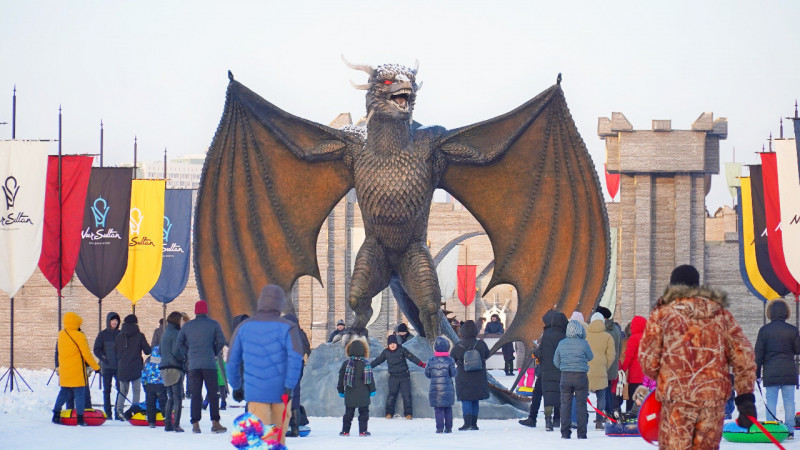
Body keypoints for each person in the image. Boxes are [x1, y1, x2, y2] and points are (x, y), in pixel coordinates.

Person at [640, 264, 758, 449]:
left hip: (676, 400)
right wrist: (745, 398)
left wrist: (668, 376)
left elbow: (648, 361)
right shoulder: (721, 316)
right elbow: (744, 357)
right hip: (712, 399)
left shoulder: (662, 316)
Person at [226, 285, 303, 446]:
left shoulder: (243, 327)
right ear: (280, 304)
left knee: (257, 442)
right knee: (277, 442)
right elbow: (296, 359)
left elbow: (232, 360)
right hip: (282, 394)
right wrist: (290, 386)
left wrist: (237, 386)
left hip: (255, 395)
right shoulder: (289, 328)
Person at [177, 299, 228, 434]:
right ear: (206, 311)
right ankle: (215, 423)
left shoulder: (188, 326)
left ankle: (195, 424)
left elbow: (179, 343)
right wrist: (214, 352)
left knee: (195, 394)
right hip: (209, 364)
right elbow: (221, 341)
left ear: (195, 311)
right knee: (213, 394)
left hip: (193, 365)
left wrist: (188, 353)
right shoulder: (214, 324)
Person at [755, 298, 800, 439]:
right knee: (789, 402)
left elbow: (759, 354)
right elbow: (798, 350)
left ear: (770, 313)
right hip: (788, 371)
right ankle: (790, 431)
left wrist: (756, 372)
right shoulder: (793, 330)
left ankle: (771, 428)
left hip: (771, 371)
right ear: (787, 312)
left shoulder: (764, 330)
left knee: (771, 401)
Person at [520, 310, 567, 430]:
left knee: (538, 394)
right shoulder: (565, 334)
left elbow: (540, 353)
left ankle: (533, 418)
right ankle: (557, 419)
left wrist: (535, 352)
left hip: (545, 370)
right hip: (561, 370)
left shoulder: (547, 334)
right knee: (557, 393)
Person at [52, 312, 101, 425]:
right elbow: (86, 354)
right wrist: (96, 367)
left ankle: (55, 414)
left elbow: (58, 352)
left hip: (65, 371)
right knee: (79, 394)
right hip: (77, 371)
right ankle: (80, 419)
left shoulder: (61, 334)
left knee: (63, 393)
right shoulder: (79, 336)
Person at [554, 319, 593, 440]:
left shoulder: (562, 343)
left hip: (565, 376)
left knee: (565, 405)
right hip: (581, 377)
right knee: (581, 405)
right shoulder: (584, 343)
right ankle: (582, 433)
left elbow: (556, 361)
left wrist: (564, 367)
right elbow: (590, 357)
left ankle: (565, 433)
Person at [371, 334, 425, 419]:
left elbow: (412, 358)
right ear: (388, 345)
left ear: (396, 343)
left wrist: (421, 364)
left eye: (394, 343)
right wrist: (369, 366)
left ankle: (408, 414)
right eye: (390, 344)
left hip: (404, 376)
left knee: (407, 395)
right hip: (393, 377)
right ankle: (389, 413)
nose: (392, 345)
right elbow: (378, 360)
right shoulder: (386, 352)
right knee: (391, 396)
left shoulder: (402, 350)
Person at [450, 320, 490, 431]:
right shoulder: (481, 344)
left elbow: (452, 358)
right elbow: (487, 354)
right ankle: (474, 424)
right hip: (479, 375)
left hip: (464, 375)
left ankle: (467, 424)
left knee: (466, 400)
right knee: (475, 400)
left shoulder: (458, 345)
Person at [114, 314, 151, 420]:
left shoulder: (119, 336)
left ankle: (119, 411)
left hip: (122, 368)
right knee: (136, 391)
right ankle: (134, 411)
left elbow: (115, 351)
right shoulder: (139, 335)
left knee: (122, 391)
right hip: (136, 367)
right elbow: (147, 350)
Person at [337, 339, 376, 436]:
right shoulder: (366, 364)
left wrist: (340, 390)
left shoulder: (346, 364)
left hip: (350, 391)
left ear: (349, 350)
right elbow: (370, 379)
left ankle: (345, 431)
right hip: (364, 392)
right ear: (364, 350)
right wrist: (372, 390)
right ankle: (362, 431)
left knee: (348, 413)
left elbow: (341, 379)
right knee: (363, 413)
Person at [585, 312, 615, 429]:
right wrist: (604, 366)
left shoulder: (585, 335)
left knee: (583, 395)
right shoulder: (608, 337)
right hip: (601, 370)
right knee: (601, 396)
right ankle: (599, 421)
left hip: (586, 370)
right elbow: (611, 355)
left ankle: (583, 417)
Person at [284, 313, 311, 437]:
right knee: (295, 394)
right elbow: (307, 348)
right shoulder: (300, 333)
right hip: (298, 364)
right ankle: (295, 429)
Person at [159, 311, 185, 432]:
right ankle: (176, 425)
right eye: (181, 320)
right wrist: (184, 358)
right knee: (177, 398)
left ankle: (168, 424)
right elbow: (176, 351)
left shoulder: (165, 333)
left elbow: (160, 351)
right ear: (177, 320)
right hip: (175, 368)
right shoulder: (176, 333)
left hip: (165, 368)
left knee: (170, 398)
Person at [425, 336, 457, 433]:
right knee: (448, 409)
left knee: (438, 409)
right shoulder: (450, 360)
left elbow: (427, 373)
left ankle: (439, 428)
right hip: (447, 388)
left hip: (435, 388)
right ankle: (448, 428)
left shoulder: (431, 360)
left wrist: (434, 377)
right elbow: (454, 374)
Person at [93, 311, 121, 420]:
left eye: (116, 320)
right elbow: (96, 349)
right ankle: (108, 413)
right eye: (113, 320)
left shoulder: (120, 334)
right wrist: (103, 358)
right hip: (107, 367)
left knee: (120, 390)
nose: (114, 322)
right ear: (108, 321)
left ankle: (117, 412)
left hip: (119, 367)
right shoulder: (103, 334)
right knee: (107, 390)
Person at [596, 306, 622, 417]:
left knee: (603, 391)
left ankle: (607, 414)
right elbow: (619, 348)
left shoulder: (603, 329)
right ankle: (610, 411)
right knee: (608, 389)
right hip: (613, 364)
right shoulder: (616, 329)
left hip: (604, 364)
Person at [620, 314, 646, 412]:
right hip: (645, 375)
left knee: (632, 398)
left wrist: (623, 369)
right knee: (642, 398)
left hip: (634, 375)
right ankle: (640, 417)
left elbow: (629, 356)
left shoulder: (633, 338)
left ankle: (630, 416)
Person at [142, 345, 167, 428]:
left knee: (150, 404)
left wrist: (144, 385)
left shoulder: (149, 364)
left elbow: (144, 375)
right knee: (163, 404)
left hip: (150, 385)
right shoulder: (164, 364)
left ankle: (151, 422)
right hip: (161, 385)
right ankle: (166, 419)